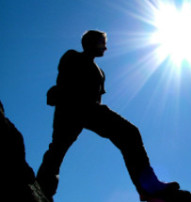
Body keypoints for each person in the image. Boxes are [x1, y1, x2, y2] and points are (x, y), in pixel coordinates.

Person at [37, 30, 179, 201]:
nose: (105, 48)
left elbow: (98, 97)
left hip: (90, 110)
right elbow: (63, 81)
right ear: (91, 43)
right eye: (102, 43)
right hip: (71, 109)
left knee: (129, 134)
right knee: (58, 150)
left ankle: (148, 188)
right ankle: (44, 189)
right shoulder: (72, 56)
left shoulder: (101, 72)